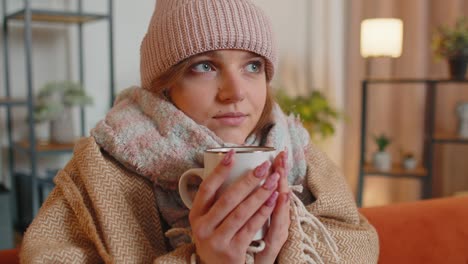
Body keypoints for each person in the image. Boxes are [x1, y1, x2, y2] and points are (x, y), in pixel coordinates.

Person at [20, 0, 379, 263]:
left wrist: (287, 251)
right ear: (164, 86)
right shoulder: (102, 167)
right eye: (205, 66)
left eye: (252, 65)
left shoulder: (295, 151)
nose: (235, 92)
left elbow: (359, 243)